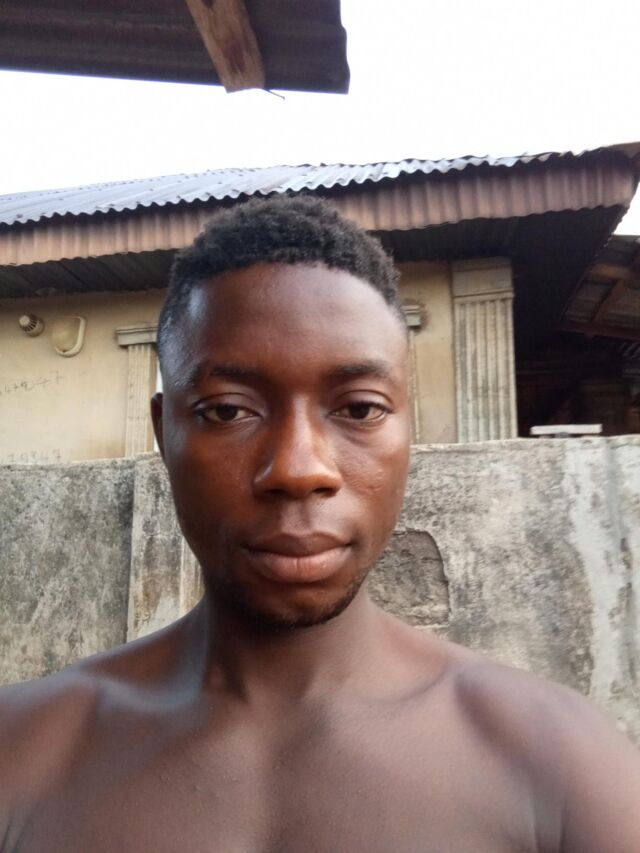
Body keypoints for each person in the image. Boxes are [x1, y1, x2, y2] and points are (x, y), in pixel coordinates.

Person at [0, 196, 638, 852]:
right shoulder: (21, 752)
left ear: (408, 428)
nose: (299, 469)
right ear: (165, 433)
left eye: (359, 408)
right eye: (227, 410)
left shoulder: (562, 764)